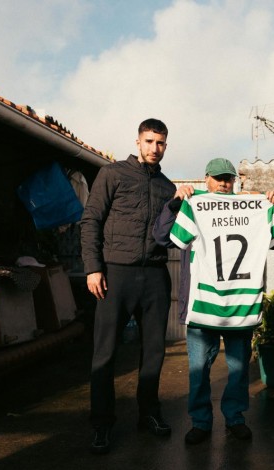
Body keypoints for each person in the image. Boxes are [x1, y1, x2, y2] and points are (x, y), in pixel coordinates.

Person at [153, 158, 274, 445]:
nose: (223, 184)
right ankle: (201, 421)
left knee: (239, 368)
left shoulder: (254, 207)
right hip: (202, 302)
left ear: (234, 182)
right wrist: (176, 203)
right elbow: (163, 237)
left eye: (228, 179)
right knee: (198, 369)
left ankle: (235, 418)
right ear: (207, 180)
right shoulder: (194, 205)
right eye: (218, 179)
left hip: (239, 304)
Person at [80, 118, 177, 455]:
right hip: (115, 274)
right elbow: (91, 219)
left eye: (160, 143)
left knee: (153, 351)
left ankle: (149, 414)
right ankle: (102, 424)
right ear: (137, 142)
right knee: (104, 353)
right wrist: (93, 268)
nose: (154, 148)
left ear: (166, 145)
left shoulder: (168, 187)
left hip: (154, 275)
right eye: (149, 141)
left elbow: (174, 234)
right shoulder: (113, 174)